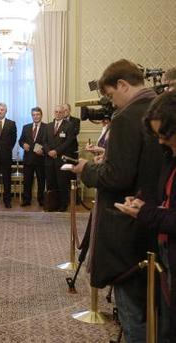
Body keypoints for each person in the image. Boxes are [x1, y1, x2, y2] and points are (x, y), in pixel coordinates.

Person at [72, 59, 163, 343]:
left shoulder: (127, 117)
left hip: (126, 223)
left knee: (132, 310)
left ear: (122, 85)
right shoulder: (159, 107)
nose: (112, 103)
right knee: (154, 310)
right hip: (153, 216)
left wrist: (87, 169)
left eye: (111, 95)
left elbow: (117, 178)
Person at [115, 91, 176, 342]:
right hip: (166, 248)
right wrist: (144, 202)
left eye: (165, 135)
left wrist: (146, 212)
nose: (161, 142)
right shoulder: (170, 157)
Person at [43, 104, 75, 211]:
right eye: (56, 112)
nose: (58, 114)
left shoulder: (69, 125)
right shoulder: (48, 126)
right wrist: (49, 152)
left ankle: (63, 205)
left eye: (60, 112)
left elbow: (69, 142)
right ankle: (52, 204)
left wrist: (56, 151)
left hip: (61, 159)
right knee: (51, 183)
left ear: (63, 113)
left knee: (62, 183)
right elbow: (44, 142)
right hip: (49, 160)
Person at [19, 106, 47, 207]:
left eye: (37, 114)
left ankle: (41, 199)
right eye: (33, 115)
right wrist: (23, 145)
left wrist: (43, 150)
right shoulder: (26, 127)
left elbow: (49, 143)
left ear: (41, 115)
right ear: (32, 116)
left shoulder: (47, 127)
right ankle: (27, 200)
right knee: (27, 181)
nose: (35, 117)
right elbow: (20, 141)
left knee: (41, 181)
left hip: (41, 159)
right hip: (28, 159)